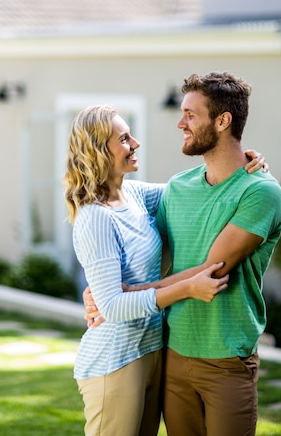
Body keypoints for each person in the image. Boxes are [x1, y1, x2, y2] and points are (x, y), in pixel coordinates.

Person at [64, 102, 265, 436]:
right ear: (100, 151)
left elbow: (202, 190)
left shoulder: (135, 195)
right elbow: (112, 307)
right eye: (125, 139)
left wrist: (246, 163)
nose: (135, 144)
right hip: (116, 361)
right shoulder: (95, 217)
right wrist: (186, 288)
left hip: (153, 351)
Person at [153, 71, 281, 436]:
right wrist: (102, 290)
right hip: (174, 354)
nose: (181, 123)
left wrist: (133, 294)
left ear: (223, 121)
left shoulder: (261, 192)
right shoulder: (177, 187)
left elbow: (212, 269)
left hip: (227, 359)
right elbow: (126, 212)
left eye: (191, 115)